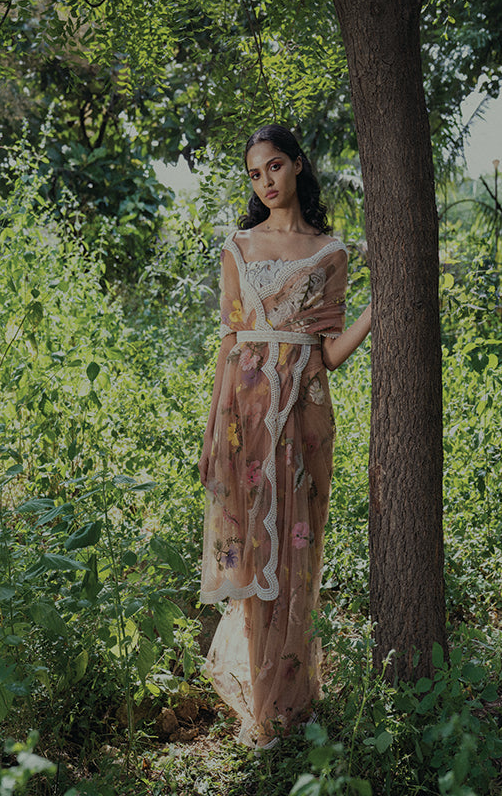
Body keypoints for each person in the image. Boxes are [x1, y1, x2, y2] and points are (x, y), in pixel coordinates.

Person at [198, 124, 371, 748]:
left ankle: (288, 697)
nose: (265, 182)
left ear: (298, 167)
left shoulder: (330, 253)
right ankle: (262, 702)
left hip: (301, 414)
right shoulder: (238, 248)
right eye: (254, 174)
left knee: (296, 551)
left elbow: (329, 354)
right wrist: (213, 427)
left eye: (274, 167)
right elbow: (228, 343)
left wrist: (378, 310)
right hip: (245, 414)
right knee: (251, 547)